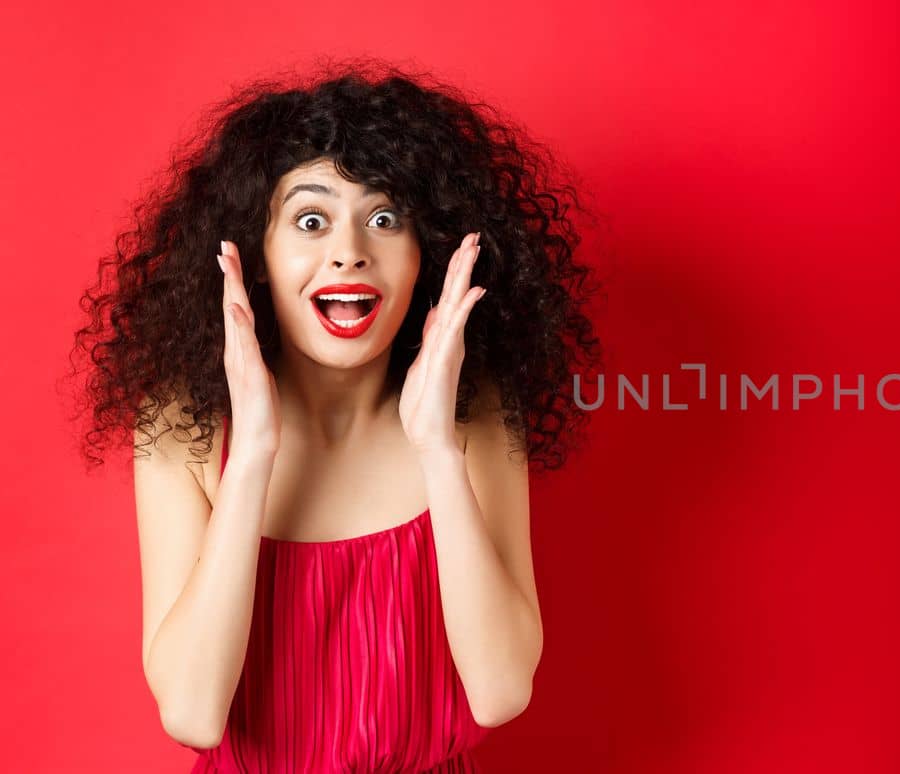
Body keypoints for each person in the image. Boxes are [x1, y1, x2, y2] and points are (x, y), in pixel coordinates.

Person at [66, 57, 602, 772]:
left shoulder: (474, 419)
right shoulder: (182, 428)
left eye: (384, 219)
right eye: (310, 220)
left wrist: (439, 451)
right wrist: (252, 452)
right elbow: (192, 713)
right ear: (256, 256)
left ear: (427, 256)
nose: (348, 253)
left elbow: (500, 692)